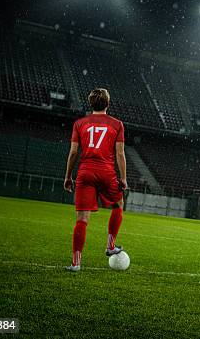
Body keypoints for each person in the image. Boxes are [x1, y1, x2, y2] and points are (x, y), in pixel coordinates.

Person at [63, 88, 128, 272]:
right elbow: (120, 153)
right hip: (106, 172)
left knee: (82, 219)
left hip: (85, 172)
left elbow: (74, 152)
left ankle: (76, 263)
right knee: (118, 205)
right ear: (108, 104)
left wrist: (68, 176)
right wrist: (123, 178)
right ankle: (110, 245)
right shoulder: (117, 124)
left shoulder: (80, 123)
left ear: (90, 104)